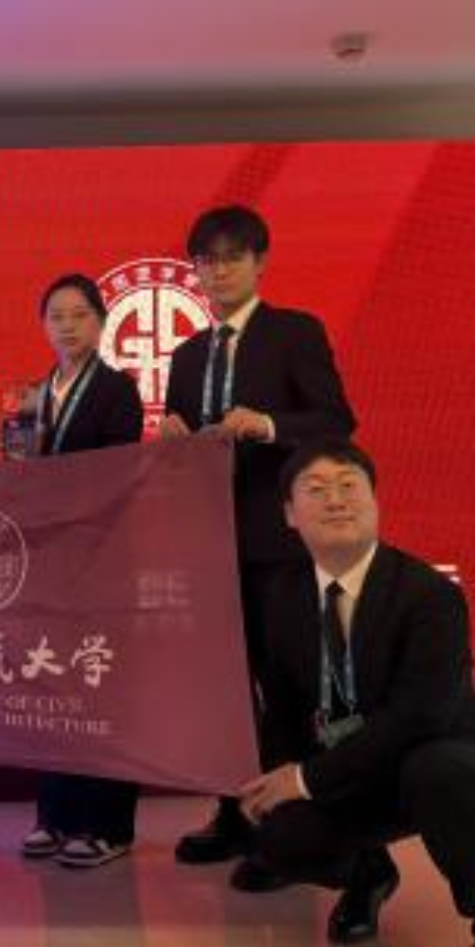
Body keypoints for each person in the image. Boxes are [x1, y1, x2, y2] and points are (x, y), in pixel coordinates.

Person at [237, 438, 475, 947]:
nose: (335, 500)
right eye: (316, 490)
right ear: (289, 514)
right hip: (349, 768)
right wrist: (277, 781)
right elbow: (281, 705)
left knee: (443, 774)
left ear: (375, 501)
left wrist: (307, 778)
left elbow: (422, 715)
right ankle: (367, 873)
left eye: (348, 486)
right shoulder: (278, 598)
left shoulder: (429, 595)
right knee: (279, 834)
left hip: (436, 754)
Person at [158, 204, 357, 881]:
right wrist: (173, 442)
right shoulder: (187, 355)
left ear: (260, 262)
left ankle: (287, 828)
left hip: (278, 542)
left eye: (232, 258)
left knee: (285, 682)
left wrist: (267, 424)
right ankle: (234, 813)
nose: (218, 271)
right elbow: (185, 456)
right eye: (206, 261)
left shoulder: (294, 332)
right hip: (209, 544)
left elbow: (337, 422)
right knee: (223, 690)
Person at [15, 274, 146, 869]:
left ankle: (109, 825)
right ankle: (56, 814)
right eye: (56, 316)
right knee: (53, 686)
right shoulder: (35, 394)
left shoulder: (118, 391)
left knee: (102, 687)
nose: (67, 326)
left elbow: (118, 477)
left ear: (100, 322)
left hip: (102, 559)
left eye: (79, 315)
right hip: (49, 563)